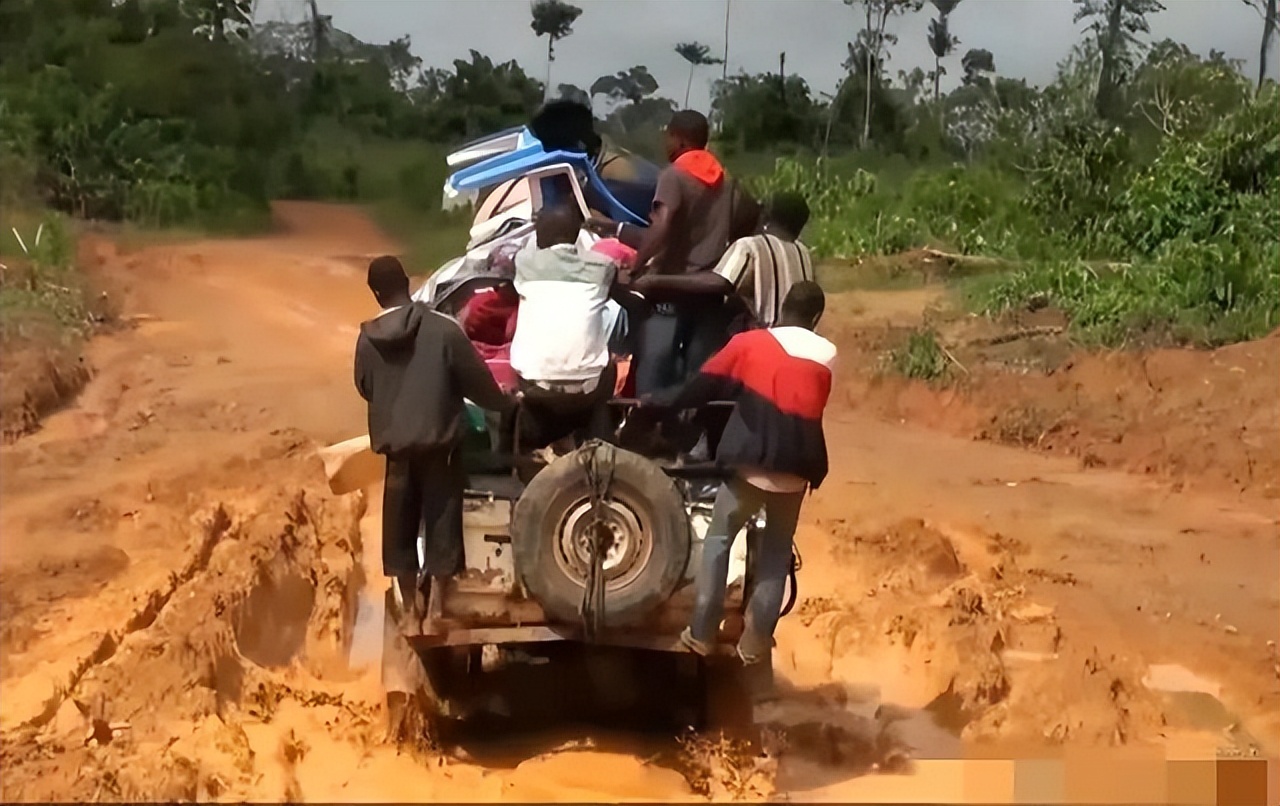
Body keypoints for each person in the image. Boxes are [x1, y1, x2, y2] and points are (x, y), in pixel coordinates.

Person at [648, 281, 835, 665]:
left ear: (783, 307)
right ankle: (755, 643)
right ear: (817, 318)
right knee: (777, 553)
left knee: (719, 541)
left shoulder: (750, 343)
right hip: (798, 470)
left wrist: (662, 403)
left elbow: (703, 385)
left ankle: (701, 632)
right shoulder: (828, 354)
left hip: (751, 463)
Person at [354, 256, 515, 633]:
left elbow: (364, 386)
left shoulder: (367, 339)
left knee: (399, 525)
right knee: (442, 520)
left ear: (376, 294)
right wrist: (507, 404)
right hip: (440, 446)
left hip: (397, 448)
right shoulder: (443, 330)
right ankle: (439, 607)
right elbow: (479, 385)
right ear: (408, 283)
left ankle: (410, 611)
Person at [589, 110, 758, 394]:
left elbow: (662, 223)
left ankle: (649, 429)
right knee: (699, 370)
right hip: (709, 293)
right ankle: (691, 433)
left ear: (679, 139)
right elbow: (747, 219)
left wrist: (638, 264)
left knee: (655, 365)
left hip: (669, 289)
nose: (665, 143)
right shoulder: (727, 183)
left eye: (668, 137)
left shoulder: (674, 176)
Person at [509, 205, 624, 448]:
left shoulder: (522, 262)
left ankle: (528, 442)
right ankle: (600, 435)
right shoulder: (603, 266)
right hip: (587, 389)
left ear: (544, 234)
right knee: (610, 364)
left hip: (534, 387)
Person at [637, 192, 815, 331]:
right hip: (797, 337)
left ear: (766, 216)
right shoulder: (803, 252)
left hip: (765, 337)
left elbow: (720, 282)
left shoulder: (751, 246)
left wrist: (657, 280)